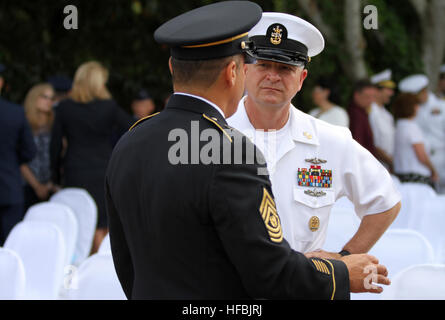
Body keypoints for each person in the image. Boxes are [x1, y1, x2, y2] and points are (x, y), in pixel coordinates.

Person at [105, 2, 390, 300]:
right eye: (255, 66)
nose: (271, 76)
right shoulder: (231, 150)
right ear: (233, 72)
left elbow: (125, 261)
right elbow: (271, 274)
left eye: (284, 68)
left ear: (171, 67)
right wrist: (341, 274)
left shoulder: (131, 140)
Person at [227, 12, 401, 260]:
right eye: (263, 65)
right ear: (245, 71)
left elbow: (386, 202)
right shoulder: (214, 134)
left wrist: (343, 258)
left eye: (285, 68)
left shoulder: (331, 141)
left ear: (301, 79)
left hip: (301, 287)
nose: (273, 77)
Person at [50, 61, 134, 254]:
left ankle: (81, 267)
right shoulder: (108, 107)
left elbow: (55, 146)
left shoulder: (64, 108)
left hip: (75, 170)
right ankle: (101, 265)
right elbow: (132, 128)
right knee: (102, 223)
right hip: (103, 169)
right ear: (98, 83)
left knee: (79, 220)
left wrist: (54, 177)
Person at [0, 64, 37, 244]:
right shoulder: (15, 113)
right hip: (9, 187)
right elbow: (30, 151)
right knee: (10, 246)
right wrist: (12, 162)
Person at [399, 74, 445, 193]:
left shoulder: (441, 106)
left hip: (441, 156)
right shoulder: (409, 110)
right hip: (421, 160)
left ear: (424, 91)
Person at [21, 83, 57, 212]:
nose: (49, 102)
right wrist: (36, 186)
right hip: (27, 185)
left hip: (50, 185)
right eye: (45, 97)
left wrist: (52, 183)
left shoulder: (55, 124)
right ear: (34, 98)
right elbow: (20, 158)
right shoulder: (24, 122)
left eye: (51, 98)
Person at [392, 93, 438, 185]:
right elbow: (421, 156)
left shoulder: (399, 126)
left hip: (402, 174)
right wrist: (433, 170)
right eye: (416, 105)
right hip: (416, 176)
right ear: (412, 107)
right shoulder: (412, 127)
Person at [369, 69, 396, 171]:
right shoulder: (371, 112)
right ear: (377, 90)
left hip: (386, 166)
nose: (391, 93)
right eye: (388, 89)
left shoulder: (387, 115)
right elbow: (373, 144)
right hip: (376, 166)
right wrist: (392, 162)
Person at [347, 79, 378, 157]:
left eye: (373, 97)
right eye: (367, 97)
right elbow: (357, 143)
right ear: (356, 95)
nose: (371, 101)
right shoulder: (356, 115)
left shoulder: (362, 112)